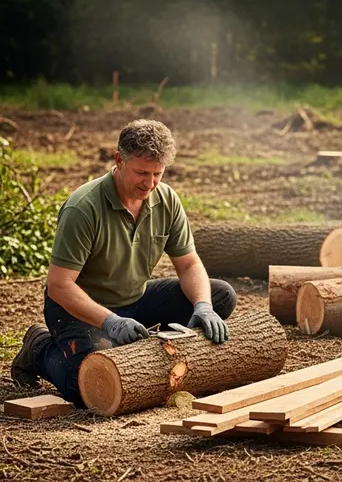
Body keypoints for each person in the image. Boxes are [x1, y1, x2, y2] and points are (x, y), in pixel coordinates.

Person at [10, 120, 236, 405]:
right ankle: (39, 348)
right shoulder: (83, 207)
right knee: (85, 387)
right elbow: (58, 285)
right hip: (77, 309)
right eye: (141, 172)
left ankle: (143, 352)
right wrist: (111, 322)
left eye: (158, 174)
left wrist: (203, 305)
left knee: (220, 296)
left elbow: (189, 265)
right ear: (119, 160)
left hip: (134, 301)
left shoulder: (166, 199)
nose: (150, 183)